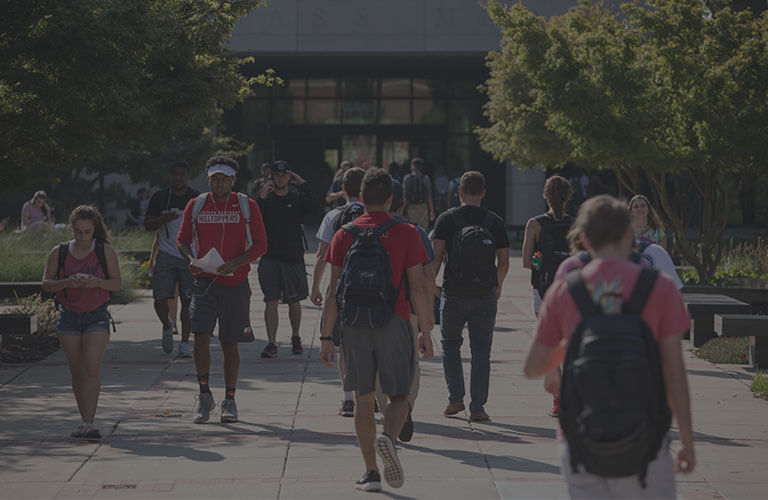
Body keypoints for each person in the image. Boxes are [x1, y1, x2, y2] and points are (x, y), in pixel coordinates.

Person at [523, 195, 695, 499]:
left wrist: (571, 342)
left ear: (585, 240)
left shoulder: (566, 287)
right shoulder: (660, 287)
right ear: (630, 234)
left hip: (581, 441)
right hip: (648, 440)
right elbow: (675, 375)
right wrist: (687, 442)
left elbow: (533, 367)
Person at [320, 168, 434, 492]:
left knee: (362, 396)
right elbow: (419, 286)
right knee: (398, 394)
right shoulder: (407, 232)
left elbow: (332, 291)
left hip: (355, 323)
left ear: (360, 197)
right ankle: (389, 438)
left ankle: (370, 473)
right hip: (394, 319)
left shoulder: (345, 233)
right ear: (390, 199)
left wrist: (327, 336)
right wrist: (425, 330)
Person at [177, 156, 267, 424]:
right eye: (214, 178)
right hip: (204, 282)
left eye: (224, 178)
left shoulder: (246, 205)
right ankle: (204, 396)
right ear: (208, 179)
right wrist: (191, 260)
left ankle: (230, 399)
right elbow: (182, 240)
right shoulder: (197, 205)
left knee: (230, 344)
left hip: (235, 283)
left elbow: (260, 245)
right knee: (201, 337)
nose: (219, 183)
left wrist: (235, 263)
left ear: (233, 180)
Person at [432, 171, 510, 422]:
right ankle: (478, 406)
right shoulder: (494, 221)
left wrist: (433, 287)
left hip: (454, 292)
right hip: (484, 294)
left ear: (459, 192)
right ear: (483, 193)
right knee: (481, 350)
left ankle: (455, 398)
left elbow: (434, 260)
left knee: (450, 345)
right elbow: (504, 261)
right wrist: (497, 286)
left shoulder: (447, 219)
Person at [41, 206, 122, 439]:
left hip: (96, 314)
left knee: (91, 367)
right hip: (68, 316)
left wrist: (97, 282)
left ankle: (91, 422)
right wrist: (67, 282)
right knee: (77, 371)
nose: (82, 236)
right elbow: (47, 283)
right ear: (72, 229)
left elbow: (116, 283)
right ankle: (85, 422)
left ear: (94, 229)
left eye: (87, 232)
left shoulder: (104, 250)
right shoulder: (61, 252)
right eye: (78, 232)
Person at [373, 178, 440, 442]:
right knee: (410, 365)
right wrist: (428, 322)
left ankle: (389, 410)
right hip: (407, 311)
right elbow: (426, 278)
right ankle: (405, 406)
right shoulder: (415, 232)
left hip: (371, 311)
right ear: (401, 202)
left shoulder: (360, 229)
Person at [311, 167, 366, 417]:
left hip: (342, 288)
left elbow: (322, 255)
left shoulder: (333, 216)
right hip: (372, 288)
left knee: (343, 345)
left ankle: (347, 399)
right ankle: (369, 393)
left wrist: (315, 286)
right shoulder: (374, 216)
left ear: (343, 189)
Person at [256, 160, 320, 358]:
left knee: (294, 301)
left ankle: (295, 337)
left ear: (289, 178)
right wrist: (262, 195)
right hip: (270, 257)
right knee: (271, 301)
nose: (280, 178)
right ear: (271, 177)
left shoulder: (297, 197)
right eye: (276, 175)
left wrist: (304, 184)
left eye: (284, 175)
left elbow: (316, 206)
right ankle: (272, 342)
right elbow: (253, 218)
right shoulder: (266, 200)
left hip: (293, 257)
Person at [522, 175, 573, 417]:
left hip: (542, 293)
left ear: (545, 196)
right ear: (569, 196)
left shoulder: (535, 224)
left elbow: (526, 261)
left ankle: (559, 399)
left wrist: (541, 262)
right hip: (572, 293)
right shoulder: (578, 225)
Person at [145, 161, 199, 357]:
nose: (178, 178)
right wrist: (163, 220)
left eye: (182, 174)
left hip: (189, 255)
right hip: (166, 254)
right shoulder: (160, 197)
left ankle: (185, 343)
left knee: (188, 302)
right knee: (159, 299)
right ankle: (167, 324)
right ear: (170, 175)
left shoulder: (196, 198)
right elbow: (148, 225)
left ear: (188, 176)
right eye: (175, 174)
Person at [402, 158, 434, 229]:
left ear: (412, 166)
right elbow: (429, 196)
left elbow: (404, 195)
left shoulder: (407, 178)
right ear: (421, 167)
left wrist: (402, 209)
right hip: (423, 207)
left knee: (412, 228)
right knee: (423, 229)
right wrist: (432, 211)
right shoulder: (425, 178)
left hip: (411, 207)